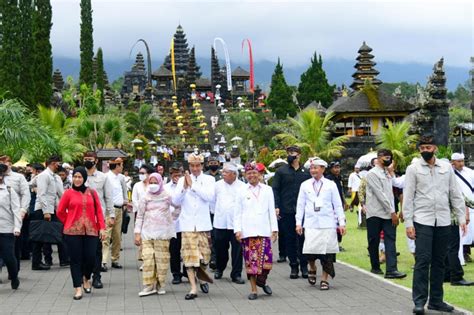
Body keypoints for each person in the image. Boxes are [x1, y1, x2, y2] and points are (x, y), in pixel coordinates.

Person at [403, 135, 466, 314]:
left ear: (435, 148)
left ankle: (436, 301)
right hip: (422, 220)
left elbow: (455, 193)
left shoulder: (446, 168)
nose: (425, 151)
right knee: (423, 260)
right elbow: (408, 197)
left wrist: (461, 217)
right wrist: (409, 223)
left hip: (444, 220)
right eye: (422, 148)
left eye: (428, 148)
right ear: (419, 150)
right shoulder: (412, 169)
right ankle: (419, 302)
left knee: (440, 262)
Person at [56, 167, 106, 300]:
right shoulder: (68, 193)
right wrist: (69, 222)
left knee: (90, 257)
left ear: (84, 178)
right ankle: (77, 287)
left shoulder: (93, 193)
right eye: (75, 177)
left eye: (80, 177)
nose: (77, 180)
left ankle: (86, 277)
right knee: (75, 260)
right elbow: (60, 211)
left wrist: (102, 228)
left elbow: (99, 212)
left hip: (91, 231)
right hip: (72, 233)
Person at [296, 158, 346, 290]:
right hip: (311, 223)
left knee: (327, 254)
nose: (313, 170)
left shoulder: (330, 184)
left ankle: (324, 279)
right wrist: (298, 223)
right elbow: (300, 205)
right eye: (311, 168)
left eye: (316, 168)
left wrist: (341, 222)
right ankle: (312, 268)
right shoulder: (305, 185)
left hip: (327, 223)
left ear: (323, 169)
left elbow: (337, 205)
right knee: (310, 252)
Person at [172, 153, 215, 300]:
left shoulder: (209, 179)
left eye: (198, 165)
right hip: (187, 224)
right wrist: (184, 187)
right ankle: (193, 288)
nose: (195, 168)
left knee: (205, 256)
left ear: (202, 166)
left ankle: (202, 276)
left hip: (203, 224)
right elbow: (176, 201)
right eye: (192, 166)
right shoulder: (182, 180)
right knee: (189, 257)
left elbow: (209, 197)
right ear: (189, 166)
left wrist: (193, 186)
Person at [234, 162, 278, 300]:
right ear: (245, 175)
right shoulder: (241, 190)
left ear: (259, 174)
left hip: (264, 230)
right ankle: (254, 290)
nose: (252, 175)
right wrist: (237, 230)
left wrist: (275, 229)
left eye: (254, 173)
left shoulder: (267, 189)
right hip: (248, 232)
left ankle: (262, 281)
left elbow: (272, 210)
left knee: (267, 262)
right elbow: (237, 213)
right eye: (249, 173)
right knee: (251, 263)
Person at [365, 149, 406, 279]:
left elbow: (394, 187)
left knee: (390, 240)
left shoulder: (387, 173)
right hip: (375, 213)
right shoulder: (372, 174)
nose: (388, 159)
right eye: (385, 157)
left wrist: (391, 171)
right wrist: (392, 212)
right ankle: (375, 266)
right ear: (379, 158)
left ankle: (392, 270)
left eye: (390, 157)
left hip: (388, 214)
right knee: (373, 241)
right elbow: (380, 195)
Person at [272, 145, 310, 279]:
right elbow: (275, 189)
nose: (290, 155)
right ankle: (294, 266)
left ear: (299, 155)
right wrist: (276, 206)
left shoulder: (306, 172)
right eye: (288, 152)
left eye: (292, 153)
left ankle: (304, 266)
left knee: (303, 239)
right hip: (286, 210)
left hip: (303, 211)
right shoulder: (281, 171)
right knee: (289, 239)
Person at [134, 173, 175, 297]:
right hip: (147, 233)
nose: (153, 185)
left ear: (160, 182)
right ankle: (149, 285)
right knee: (148, 259)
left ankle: (160, 284)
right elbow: (140, 216)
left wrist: (170, 219)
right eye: (150, 182)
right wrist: (137, 233)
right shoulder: (145, 197)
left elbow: (177, 207)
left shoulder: (167, 196)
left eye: (155, 182)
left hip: (163, 234)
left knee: (161, 260)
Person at [31, 155, 68, 270]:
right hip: (42, 210)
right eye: (58, 163)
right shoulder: (43, 176)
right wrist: (46, 211)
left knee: (59, 233)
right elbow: (41, 194)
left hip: (53, 210)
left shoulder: (55, 177)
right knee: (39, 237)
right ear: (52, 163)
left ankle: (64, 259)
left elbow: (60, 195)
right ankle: (36, 263)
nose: (59, 165)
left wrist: (64, 209)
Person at [83, 151, 113, 289]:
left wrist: (111, 215)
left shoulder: (103, 177)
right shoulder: (78, 176)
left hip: (97, 218)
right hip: (81, 218)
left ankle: (97, 277)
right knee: (83, 250)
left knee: (96, 248)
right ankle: (85, 277)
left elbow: (108, 197)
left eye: (90, 159)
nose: (87, 161)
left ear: (95, 161)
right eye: (85, 159)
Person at [444, 153, 473, 286]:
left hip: (439, 221)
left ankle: (446, 275)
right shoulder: (449, 182)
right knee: (452, 248)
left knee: (445, 248)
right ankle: (456, 277)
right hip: (451, 220)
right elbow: (461, 198)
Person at [213, 162, 245, 284]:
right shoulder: (217, 185)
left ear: (234, 174)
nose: (223, 174)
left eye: (226, 173)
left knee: (237, 250)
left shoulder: (242, 186)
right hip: (220, 222)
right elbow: (213, 202)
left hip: (236, 224)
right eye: (223, 172)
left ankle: (236, 274)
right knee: (220, 249)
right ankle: (220, 268)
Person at [0, 155, 30, 269]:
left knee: (14, 247)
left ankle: (14, 270)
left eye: (5, 162)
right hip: (2, 215)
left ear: (10, 164)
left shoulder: (18, 177)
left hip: (15, 215)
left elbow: (25, 194)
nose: (3, 164)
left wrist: (23, 210)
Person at [103, 158, 128, 270]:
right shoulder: (106, 177)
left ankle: (115, 259)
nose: (122, 167)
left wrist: (126, 201)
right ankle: (103, 260)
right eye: (121, 165)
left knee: (117, 235)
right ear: (117, 166)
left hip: (119, 209)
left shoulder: (121, 178)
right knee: (106, 235)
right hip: (109, 209)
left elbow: (124, 190)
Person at [0, 163, 21, 290]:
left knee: (8, 256)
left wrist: (17, 227)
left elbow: (16, 210)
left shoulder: (9, 190)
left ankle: (14, 276)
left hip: (6, 229)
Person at [164, 162, 185, 284]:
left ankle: (188, 272)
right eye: (174, 174)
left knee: (187, 249)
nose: (177, 177)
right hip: (172, 224)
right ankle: (176, 274)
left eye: (179, 174)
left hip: (186, 222)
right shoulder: (166, 188)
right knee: (174, 250)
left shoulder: (187, 186)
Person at [451, 152, 474, 263]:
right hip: (458, 208)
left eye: (462, 161)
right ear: (453, 162)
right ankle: (462, 254)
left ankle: (467, 252)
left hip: (471, 205)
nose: (461, 163)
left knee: (470, 231)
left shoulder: (470, 172)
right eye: (458, 161)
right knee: (462, 233)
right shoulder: (449, 173)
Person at [132, 164, 155, 270]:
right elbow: (134, 200)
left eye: (143, 173)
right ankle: (144, 260)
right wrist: (141, 210)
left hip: (153, 215)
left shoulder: (154, 185)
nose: (140, 175)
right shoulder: (137, 185)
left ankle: (150, 260)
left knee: (150, 238)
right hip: (140, 215)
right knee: (142, 238)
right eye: (140, 173)